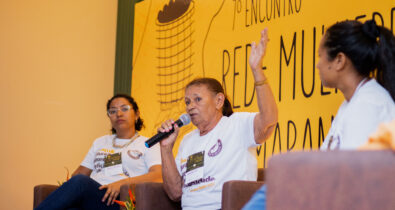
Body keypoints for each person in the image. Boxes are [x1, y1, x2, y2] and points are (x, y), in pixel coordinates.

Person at [243, 19, 395, 210]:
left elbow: (353, 184)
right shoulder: (351, 103)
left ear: (339, 60)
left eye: (320, 56)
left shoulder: (369, 105)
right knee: (276, 185)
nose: (317, 65)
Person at [158, 28, 278, 209]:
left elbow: (269, 121)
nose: (190, 106)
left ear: (219, 100)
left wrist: (257, 70)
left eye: (198, 99)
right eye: (187, 101)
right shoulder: (187, 141)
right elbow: (175, 194)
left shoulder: (236, 124)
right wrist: (166, 150)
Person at [35, 94, 162, 210]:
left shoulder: (148, 143)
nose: (118, 114)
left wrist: (121, 184)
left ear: (137, 114)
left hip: (120, 200)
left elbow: (158, 176)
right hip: (95, 196)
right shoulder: (100, 142)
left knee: (80, 182)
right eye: (112, 111)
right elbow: (79, 173)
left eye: (124, 109)